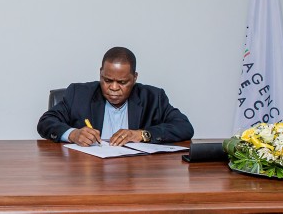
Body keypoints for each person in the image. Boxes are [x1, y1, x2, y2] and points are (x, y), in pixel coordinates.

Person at [37, 46, 193, 146]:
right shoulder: (79, 94)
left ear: (135, 78)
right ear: (100, 73)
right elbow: (45, 122)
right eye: (107, 80)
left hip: (135, 177)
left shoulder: (153, 98)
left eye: (122, 82)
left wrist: (141, 134)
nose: (113, 87)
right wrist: (73, 134)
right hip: (90, 176)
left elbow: (184, 127)